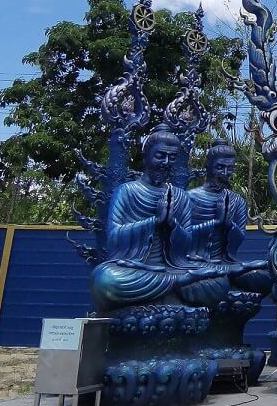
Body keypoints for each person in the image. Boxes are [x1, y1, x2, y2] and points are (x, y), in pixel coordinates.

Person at [90, 126, 224, 311]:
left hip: (171, 267)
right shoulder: (127, 191)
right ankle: (176, 284)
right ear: (146, 156)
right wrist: (155, 221)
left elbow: (186, 246)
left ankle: (175, 283)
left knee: (218, 282)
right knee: (105, 280)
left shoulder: (180, 196)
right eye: (160, 155)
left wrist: (172, 225)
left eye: (172, 157)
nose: (166, 162)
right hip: (135, 269)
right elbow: (114, 238)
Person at [187, 140, 271, 295]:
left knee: (265, 275)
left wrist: (229, 226)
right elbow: (182, 237)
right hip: (196, 264)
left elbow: (238, 240)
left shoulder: (237, 200)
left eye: (230, 168)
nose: (225, 173)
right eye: (220, 167)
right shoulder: (191, 198)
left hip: (226, 264)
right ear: (208, 166)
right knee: (214, 282)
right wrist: (215, 223)